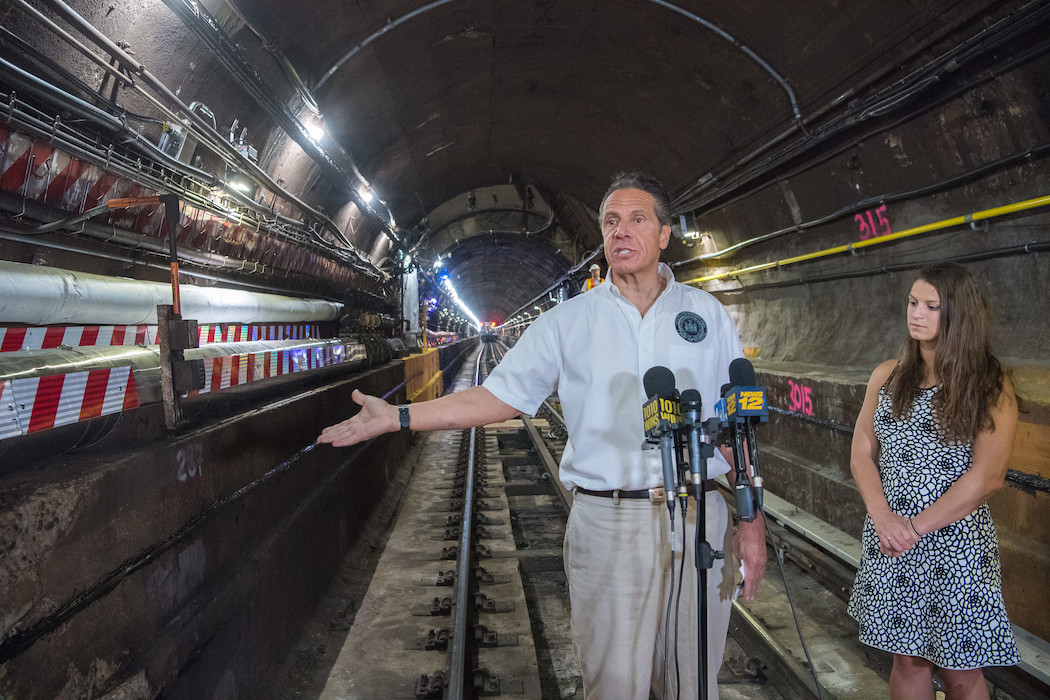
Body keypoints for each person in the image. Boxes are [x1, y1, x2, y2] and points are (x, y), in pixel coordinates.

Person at [318, 171, 767, 700]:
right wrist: (399, 417)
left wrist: (751, 520)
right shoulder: (566, 322)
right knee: (614, 684)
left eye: (638, 220)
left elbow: (733, 423)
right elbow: (496, 396)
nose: (621, 232)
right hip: (609, 521)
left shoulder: (707, 315)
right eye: (611, 222)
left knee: (693, 682)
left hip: (701, 521)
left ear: (665, 234)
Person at [847, 263, 1019, 700]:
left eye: (931, 306)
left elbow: (988, 477)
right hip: (890, 535)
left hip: (954, 543)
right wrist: (884, 518)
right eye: (912, 302)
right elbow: (862, 450)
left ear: (958, 314)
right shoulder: (887, 375)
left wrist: (913, 527)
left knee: (960, 667)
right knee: (907, 658)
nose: (916, 313)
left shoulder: (988, 384)